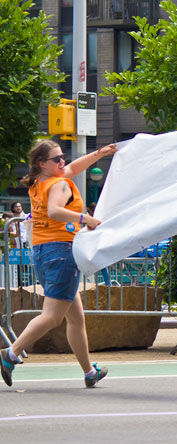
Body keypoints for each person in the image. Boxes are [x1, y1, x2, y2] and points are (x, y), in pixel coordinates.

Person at [1, 140, 117, 388]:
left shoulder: (39, 182)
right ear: (42, 163)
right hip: (61, 251)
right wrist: (85, 218)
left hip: (43, 251)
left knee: (76, 317)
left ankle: (89, 372)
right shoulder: (59, 184)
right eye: (56, 159)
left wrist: (99, 153)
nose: (62, 161)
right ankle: (10, 353)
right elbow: (54, 211)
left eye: (62, 157)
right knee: (52, 316)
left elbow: (74, 168)